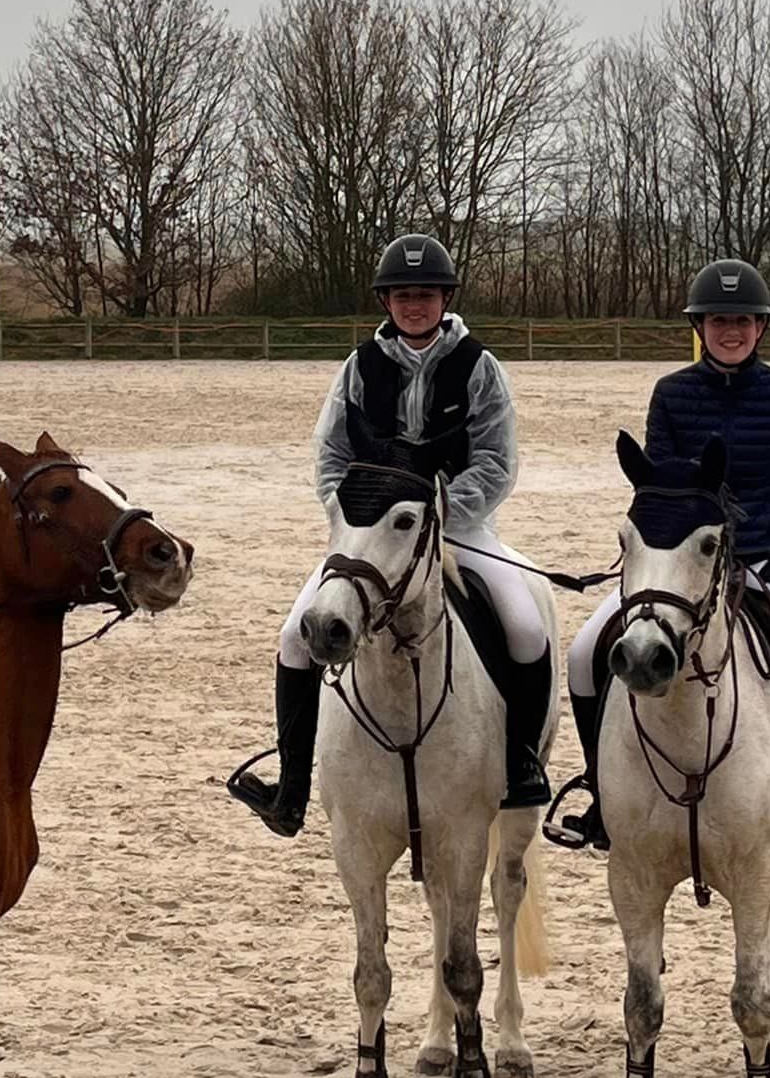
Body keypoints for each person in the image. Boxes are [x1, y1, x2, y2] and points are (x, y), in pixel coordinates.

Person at [229, 233, 553, 837]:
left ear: (444, 298)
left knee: (526, 625)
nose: (414, 306)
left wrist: (438, 513)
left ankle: (520, 763)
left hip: (460, 527)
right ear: (387, 301)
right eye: (403, 296)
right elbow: (330, 453)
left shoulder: (479, 367)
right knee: (294, 638)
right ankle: (292, 786)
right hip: (372, 539)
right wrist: (351, 516)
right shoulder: (360, 366)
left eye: (425, 295)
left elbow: (497, 460)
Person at [554, 259, 770, 854]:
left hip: (765, 561)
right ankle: (600, 795)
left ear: (760, 328)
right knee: (581, 654)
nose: (732, 331)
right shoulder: (671, 394)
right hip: (681, 571)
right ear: (701, 325)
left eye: (744, 321)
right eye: (720, 320)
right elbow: (660, 490)